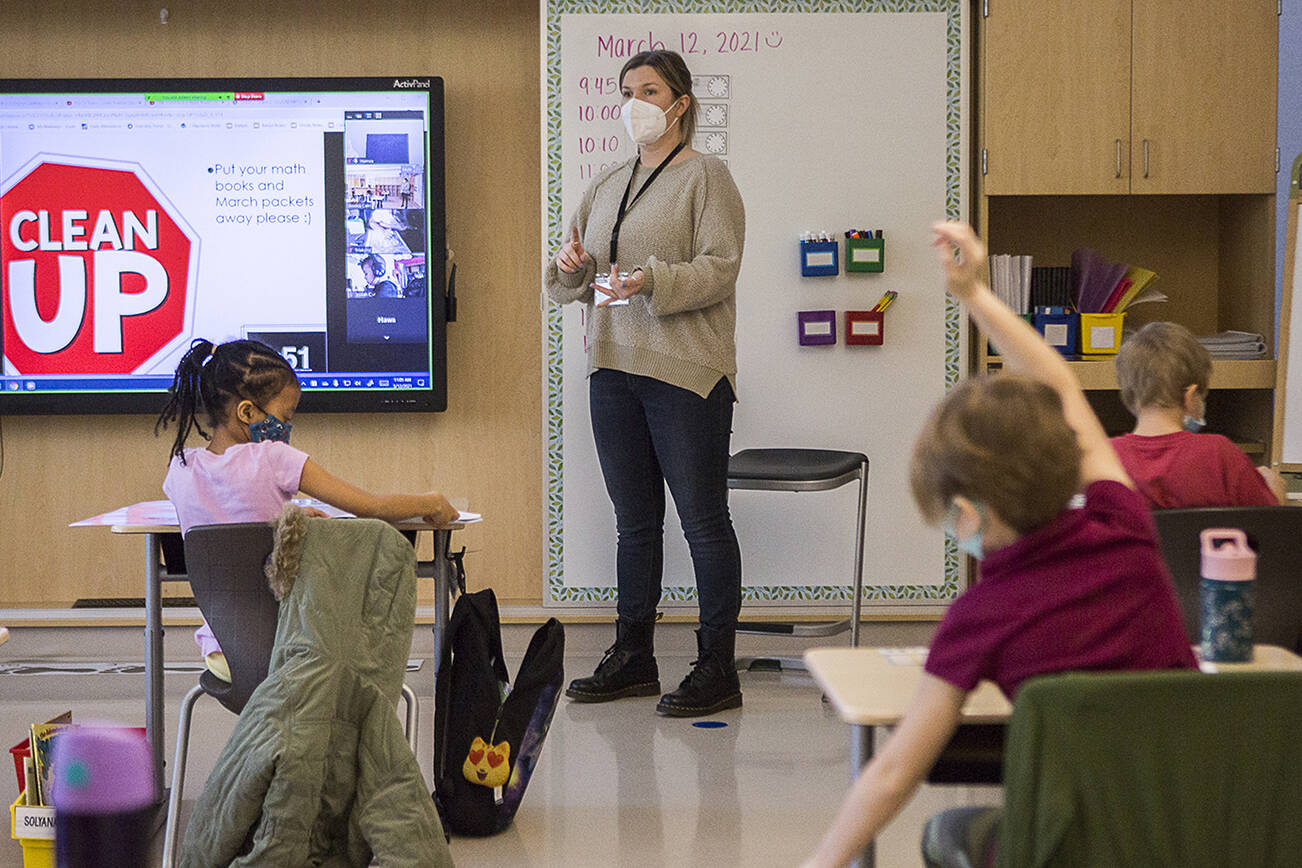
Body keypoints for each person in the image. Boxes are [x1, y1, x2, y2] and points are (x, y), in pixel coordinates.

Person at [800, 223, 1197, 867]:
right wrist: (974, 293)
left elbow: (895, 770)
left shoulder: (981, 616)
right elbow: (1063, 389)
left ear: (965, 510)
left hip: (1069, 849)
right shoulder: (1126, 529)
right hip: (1188, 837)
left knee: (954, 829)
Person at [544, 49, 746, 718]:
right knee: (635, 524)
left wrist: (654, 278)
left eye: (649, 90)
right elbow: (593, 284)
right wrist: (572, 265)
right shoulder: (608, 183)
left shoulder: (706, 177)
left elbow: (720, 267)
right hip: (614, 368)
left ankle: (717, 666)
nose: (635, 102)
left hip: (686, 374)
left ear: (680, 103)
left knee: (703, 522)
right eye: (627, 90)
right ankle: (633, 657)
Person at [155, 338, 457, 681]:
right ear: (248, 412)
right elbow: (372, 507)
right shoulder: (273, 458)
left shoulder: (181, 469)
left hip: (223, 656)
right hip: (291, 649)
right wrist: (431, 501)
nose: (287, 426)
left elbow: (228, 524)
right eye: (286, 415)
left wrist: (289, 524)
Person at [1111, 321, 1286, 508]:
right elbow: (1265, 524)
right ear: (1190, 395)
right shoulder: (1220, 454)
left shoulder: (1104, 458)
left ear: (1129, 396)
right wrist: (1275, 492)